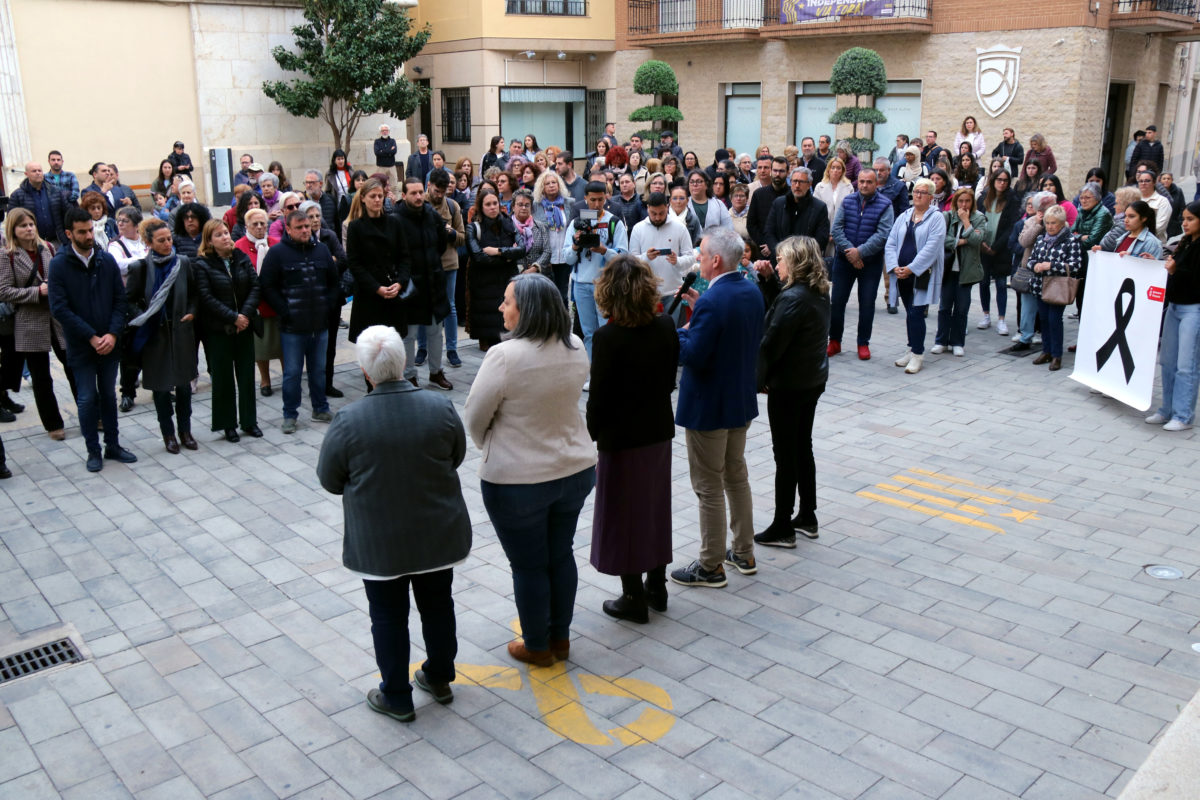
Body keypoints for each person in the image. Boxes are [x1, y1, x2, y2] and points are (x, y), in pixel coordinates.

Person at [317, 324, 471, 721]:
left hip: (379, 542)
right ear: (403, 363)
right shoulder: (440, 407)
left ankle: (396, 695)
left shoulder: (349, 420)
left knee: (387, 616)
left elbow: (330, 480)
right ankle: (438, 677)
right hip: (438, 533)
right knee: (439, 605)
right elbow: (456, 455)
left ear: (366, 372)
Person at [463, 273, 596, 666]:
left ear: (528, 309)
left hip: (519, 481)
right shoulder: (575, 346)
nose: (501, 307)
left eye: (507, 301)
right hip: (573, 469)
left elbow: (474, 416)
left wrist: (491, 442)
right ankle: (560, 638)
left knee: (528, 564)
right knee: (560, 555)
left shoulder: (504, 356)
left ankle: (536, 645)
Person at [670, 227, 764, 589]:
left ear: (715, 260)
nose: (697, 256)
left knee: (708, 484)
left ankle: (710, 564)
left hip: (709, 404)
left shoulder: (713, 299)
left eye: (701, 251)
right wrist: (700, 318)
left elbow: (693, 354)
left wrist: (680, 330)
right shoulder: (750, 290)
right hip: (738, 398)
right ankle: (743, 551)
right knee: (735, 475)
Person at [587, 255, 678, 622]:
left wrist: (592, 434)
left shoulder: (608, 337)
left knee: (624, 515)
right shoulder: (666, 326)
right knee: (654, 508)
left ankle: (633, 596)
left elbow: (600, 397)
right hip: (657, 431)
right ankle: (657, 586)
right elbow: (670, 379)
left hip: (622, 438)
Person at [753, 235, 830, 546]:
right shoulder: (816, 290)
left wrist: (757, 381)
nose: (777, 263)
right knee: (801, 447)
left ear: (796, 263)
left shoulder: (794, 298)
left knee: (785, 455)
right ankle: (807, 515)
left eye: (782, 260)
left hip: (790, 385)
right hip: (811, 380)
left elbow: (772, 342)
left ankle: (783, 524)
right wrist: (771, 282)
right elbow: (782, 314)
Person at [48, 208, 137, 472]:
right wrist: (91, 337)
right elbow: (60, 308)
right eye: (82, 232)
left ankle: (113, 445)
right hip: (81, 346)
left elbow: (120, 300)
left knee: (108, 395)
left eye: (90, 230)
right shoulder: (59, 264)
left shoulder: (105, 260)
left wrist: (111, 334)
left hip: (109, 343)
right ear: (68, 234)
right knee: (87, 399)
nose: (89, 236)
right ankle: (93, 451)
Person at [259, 210, 338, 432]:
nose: (306, 230)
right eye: (300, 227)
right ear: (289, 229)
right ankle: (290, 414)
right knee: (292, 373)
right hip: (292, 327)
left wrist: (328, 307)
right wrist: (284, 310)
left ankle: (320, 408)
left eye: (308, 226)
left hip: (319, 325)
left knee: (319, 370)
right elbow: (267, 286)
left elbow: (334, 283)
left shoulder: (322, 250)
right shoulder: (277, 254)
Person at [125, 218, 199, 454]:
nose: (168, 244)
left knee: (184, 386)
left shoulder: (183, 263)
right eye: (161, 240)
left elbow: (196, 294)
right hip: (154, 336)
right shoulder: (141, 268)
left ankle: (185, 431)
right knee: (160, 389)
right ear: (148, 242)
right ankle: (168, 434)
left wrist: (191, 313)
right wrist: (145, 316)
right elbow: (129, 300)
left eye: (169, 239)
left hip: (180, 332)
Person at [0, 209, 73, 440]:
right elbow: (3, 291)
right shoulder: (7, 255)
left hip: (57, 319)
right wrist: (36, 291)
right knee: (42, 378)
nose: (29, 229)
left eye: (31, 224)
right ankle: (53, 424)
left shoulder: (48, 248)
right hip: (29, 322)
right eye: (23, 226)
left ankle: (93, 413)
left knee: (74, 368)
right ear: (13, 230)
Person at [194, 220, 262, 442]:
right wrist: (233, 317)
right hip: (219, 329)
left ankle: (249, 421)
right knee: (223, 378)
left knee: (246, 376)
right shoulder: (202, 264)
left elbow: (255, 286)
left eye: (226, 233)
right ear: (209, 241)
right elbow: (206, 297)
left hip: (244, 326)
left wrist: (244, 315)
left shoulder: (240, 258)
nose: (225, 237)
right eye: (218, 235)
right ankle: (227, 424)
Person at [828, 167, 895, 360]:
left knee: (867, 303)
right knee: (837, 302)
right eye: (862, 181)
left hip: (870, 263)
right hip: (844, 260)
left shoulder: (885, 205)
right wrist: (851, 253)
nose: (864, 185)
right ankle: (834, 340)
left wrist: (860, 253)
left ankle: (863, 343)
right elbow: (837, 229)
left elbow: (883, 234)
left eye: (869, 182)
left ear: (876, 183)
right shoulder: (848, 201)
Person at [1146, 201, 1200, 430]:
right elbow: (1173, 268)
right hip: (1175, 307)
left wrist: (1176, 269)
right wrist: (1157, 264)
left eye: (1190, 219)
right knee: (1167, 361)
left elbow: (1194, 275)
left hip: (1193, 308)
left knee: (1186, 364)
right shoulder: (1185, 242)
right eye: (1184, 219)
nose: (1185, 223)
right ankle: (1166, 408)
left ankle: (1183, 415)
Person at [394, 178, 453, 390]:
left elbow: (441, 241)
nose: (418, 197)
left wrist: (433, 265)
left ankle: (436, 372)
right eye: (413, 193)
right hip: (410, 286)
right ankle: (409, 375)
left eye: (420, 192)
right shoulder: (396, 219)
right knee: (408, 335)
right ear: (404, 195)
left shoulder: (430, 214)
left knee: (436, 331)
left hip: (433, 282)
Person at [562, 181, 629, 361]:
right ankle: (593, 372)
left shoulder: (614, 223)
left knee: (607, 331)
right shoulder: (577, 223)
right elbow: (567, 258)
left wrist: (604, 250)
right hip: (581, 284)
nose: (597, 204)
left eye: (601, 200)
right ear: (585, 199)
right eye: (593, 200)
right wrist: (576, 245)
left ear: (606, 198)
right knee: (589, 333)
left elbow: (623, 258)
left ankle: (609, 371)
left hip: (605, 284)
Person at [886, 178, 947, 374]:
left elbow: (932, 248)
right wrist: (894, 266)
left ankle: (918, 354)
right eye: (916, 192)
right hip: (901, 273)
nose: (918, 195)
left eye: (923, 192)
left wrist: (912, 268)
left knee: (916, 312)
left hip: (921, 274)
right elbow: (891, 242)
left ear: (930, 197)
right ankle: (911, 348)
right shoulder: (904, 215)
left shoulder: (937, 218)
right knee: (909, 312)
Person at [931, 187, 988, 358]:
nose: (964, 205)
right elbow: (941, 239)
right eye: (961, 201)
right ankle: (941, 340)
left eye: (967, 201)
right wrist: (962, 241)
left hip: (967, 270)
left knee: (962, 308)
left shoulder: (979, 218)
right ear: (956, 202)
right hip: (949, 269)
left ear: (972, 202)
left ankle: (957, 342)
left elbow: (978, 240)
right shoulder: (947, 216)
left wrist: (966, 222)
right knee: (944, 307)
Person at [467, 188, 523, 351]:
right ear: (481, 207)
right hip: (483, 286)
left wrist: (498, 251)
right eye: (488, 204)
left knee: (508, 334)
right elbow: (479, 256)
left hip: (506, 282)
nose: (492, 207)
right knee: (490, 343)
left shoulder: (509, 223)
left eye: (495, 203)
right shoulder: (473, 228)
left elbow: (521, 249)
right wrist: (507, 257)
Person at [420, 171, 466, 369]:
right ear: (429, 185)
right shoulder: (420, 203)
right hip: (424, 264)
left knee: (450, 306)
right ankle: (422, 348)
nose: (439, 195)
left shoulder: (453, 206)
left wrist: (451, 233)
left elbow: (463, 237)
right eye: (436, 191)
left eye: (444, 191)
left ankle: (452, 349)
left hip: (448, 263)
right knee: (423, 307)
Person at [629, 191, 697, 323]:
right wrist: (646, 257)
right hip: (646, 292)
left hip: (672, 291)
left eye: (661, 213)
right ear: (648, 208)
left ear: (667, 207)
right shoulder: (638, 229)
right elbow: (631, 261)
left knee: (671, 332)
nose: (657, 217)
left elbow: (690, 257)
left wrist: (677, 261)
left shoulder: (680, 228)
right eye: (653, 213)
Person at [234, 209, 282, 396]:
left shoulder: (276, 244)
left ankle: (288, 377)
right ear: (247, 226)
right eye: (255, 224)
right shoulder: (239, 246)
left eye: (263, 223)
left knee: (282, 345)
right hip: (256, 305)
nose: (260, 227)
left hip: (276, 303)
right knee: (260, 347)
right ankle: (265, 380)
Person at [1028, 205, 1080, 371]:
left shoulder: (1071, 241)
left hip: (1058, 287)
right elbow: (1031, 259)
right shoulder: (1041, 239)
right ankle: (1046, 350)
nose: (1050, 226)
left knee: (1054, 320)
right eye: (1047, 223)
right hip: (1040, 285)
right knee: (1043, 318)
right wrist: (1035, 266)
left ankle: (1057, 354)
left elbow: (1075, 265)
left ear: (1062, 223)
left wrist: (1051, 265)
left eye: (1054, 223)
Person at [976, 169, 1022, 335]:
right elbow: (977, 219)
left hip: (1001, 249)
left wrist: (995, 247)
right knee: (983, 282)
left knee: (1001, 284)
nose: (1002, 183)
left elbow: (1011, 227)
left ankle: (1001, 319)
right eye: (999, 180)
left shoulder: (1012, 200)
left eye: (1005, 180)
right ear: (993, 180)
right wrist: (981, 242)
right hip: (983, 246)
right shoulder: (983, 198)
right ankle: (986, 315)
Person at [764, 167, 830, 265]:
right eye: (794, 181)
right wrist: (779, 252)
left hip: (806, 263)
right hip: (780, 261)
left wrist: (800, 256)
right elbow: (769, 232)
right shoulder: (779, 204)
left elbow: (821, 239)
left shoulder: (819, 208)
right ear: (790, 182)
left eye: (801, 182)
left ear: (809, 184)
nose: (797, 185)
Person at [533, 169, 572, 304]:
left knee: (563, 295)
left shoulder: (569, 203)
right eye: (547, 183)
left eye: (554, 182)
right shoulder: (535, 206)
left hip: (564, 256)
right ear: (542, 187)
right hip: (546, 257)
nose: (551, 185)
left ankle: (563, 322)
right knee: (547, 295)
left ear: (559, 184)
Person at [8, 162, 68, 246]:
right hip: (32, 243)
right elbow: (12, 220)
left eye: (39, 170)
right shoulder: (17, 195)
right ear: (26, 174)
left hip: (57, 241)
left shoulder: (55, 191)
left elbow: (67, 213)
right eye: (34, 171)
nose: (38, 173)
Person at [747, 157, 790, 259]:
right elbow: (751, 224)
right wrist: (765, 244)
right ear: (771, 171)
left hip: (786, 251)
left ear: (788, 172)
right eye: (775, 170)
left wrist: (775, 246)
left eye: (781, 171)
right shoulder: (759, 194)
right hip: (763, 251)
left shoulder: (792, 195)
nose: (778, 174)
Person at [814, 157, 854, 258]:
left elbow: (850, 212)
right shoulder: (820, 187)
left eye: (838, 168)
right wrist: (825, 232)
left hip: (842, 232)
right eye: (833, 168)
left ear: (843, 170)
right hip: (824, 231)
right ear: (828, 169)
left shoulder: (848, 187)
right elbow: (815, 211)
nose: (835, 171)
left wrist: (837, 233)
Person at [511, 189, 550, 275]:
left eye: (527, 205)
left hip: (537, 276)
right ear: (513, 207)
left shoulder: (540, 226)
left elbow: (547, 251)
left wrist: (534, 268)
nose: (524, 208)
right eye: (520, 205)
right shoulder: (507, 227)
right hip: (513, 275)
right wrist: (520, 269)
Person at [1136, 169, 1171, 241]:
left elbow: (1159, 227)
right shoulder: (1134, 199)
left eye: (1147, 181)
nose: (1143, 183)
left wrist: (1138, 233)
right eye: (1141, 181)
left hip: (1154, 241)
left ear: (1154, 182)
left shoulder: (1162, 201)